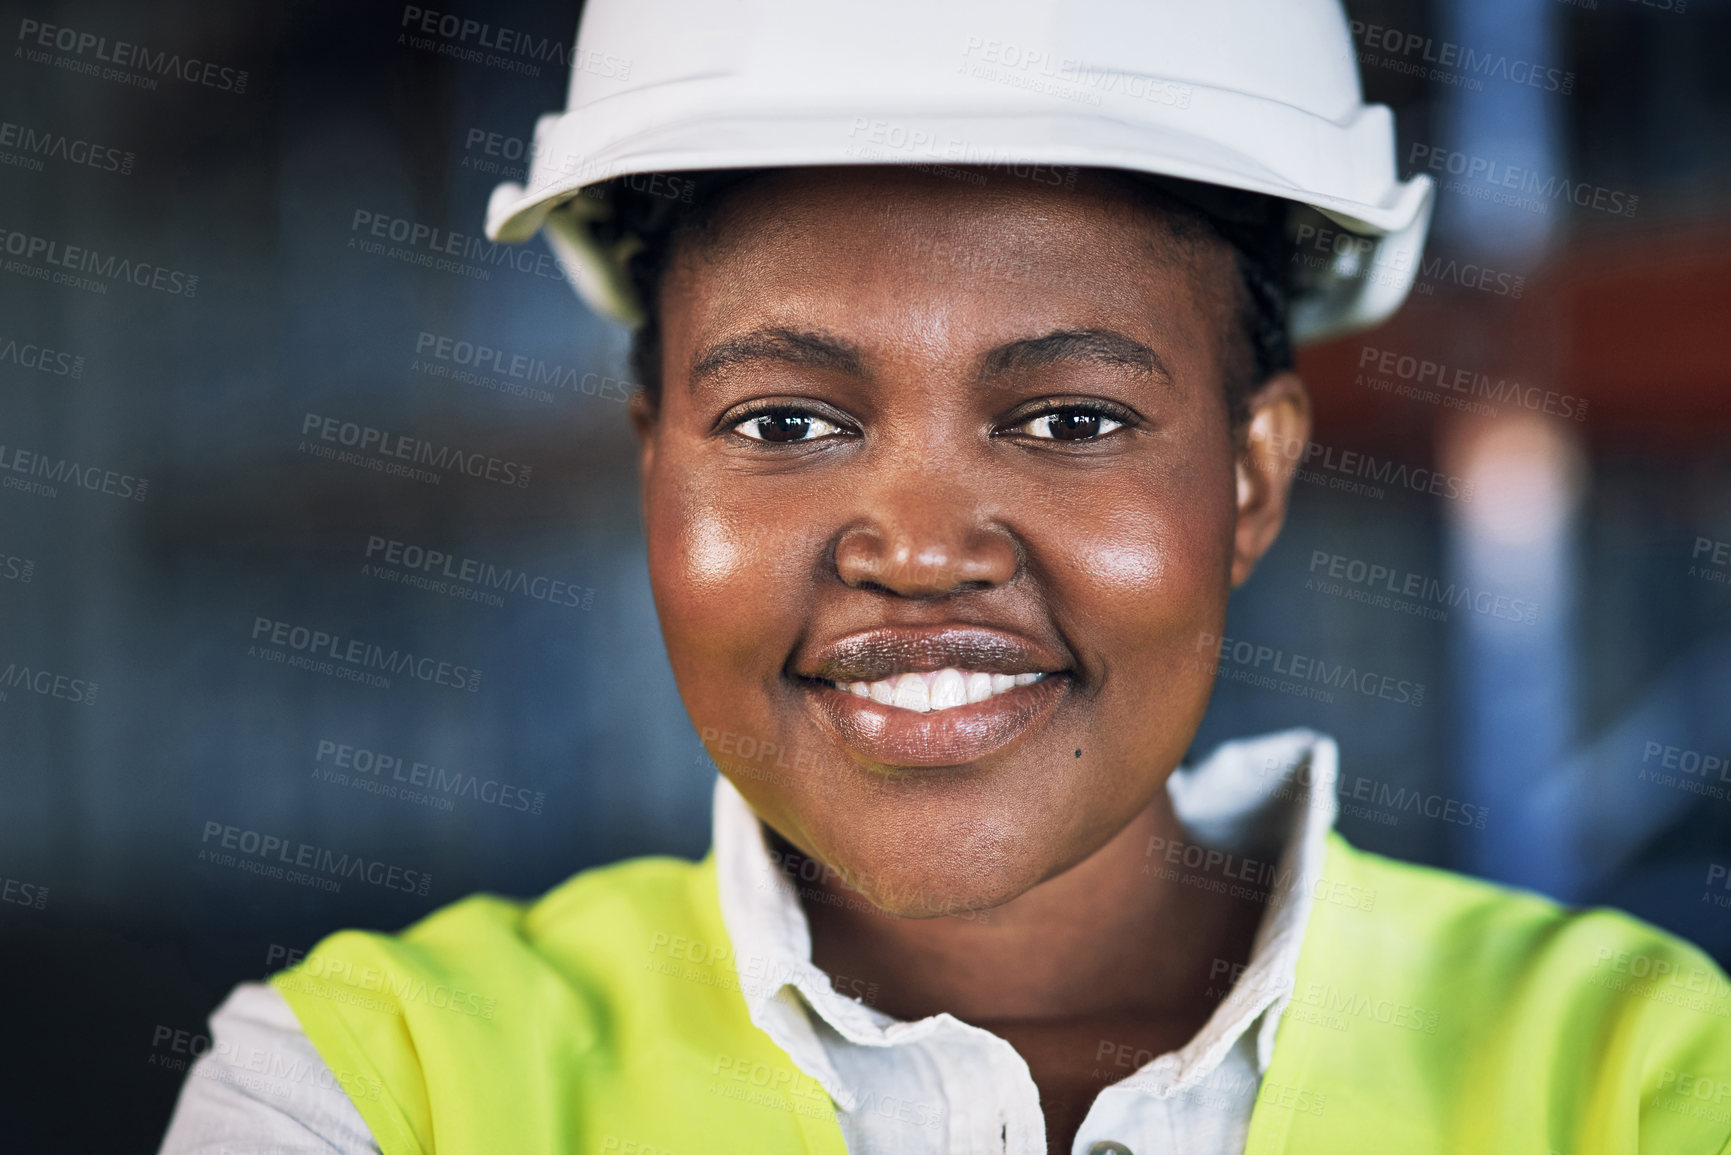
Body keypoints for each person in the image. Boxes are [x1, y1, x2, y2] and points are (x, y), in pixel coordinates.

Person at [160, 2, 1731, 1153]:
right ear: (656, 466)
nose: (917, 549)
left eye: (1068, 418)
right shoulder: (373, 1087)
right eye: (784, 421)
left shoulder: (1638, 1074)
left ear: (1251, 479)